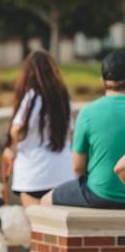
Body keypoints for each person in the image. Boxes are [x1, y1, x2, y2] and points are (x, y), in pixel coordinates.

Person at [41, 50, 125, 208]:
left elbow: (77, 167)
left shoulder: (87, 113)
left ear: (102, 81)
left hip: (99, 194)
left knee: (45, 200)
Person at [2, 50, 76, 209]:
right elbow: (70, 129)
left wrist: (10, 149)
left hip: (34, 174)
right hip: (63, 174)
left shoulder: (32, 96)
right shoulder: (63, 97)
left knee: (36, 222)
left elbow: (17, 129)